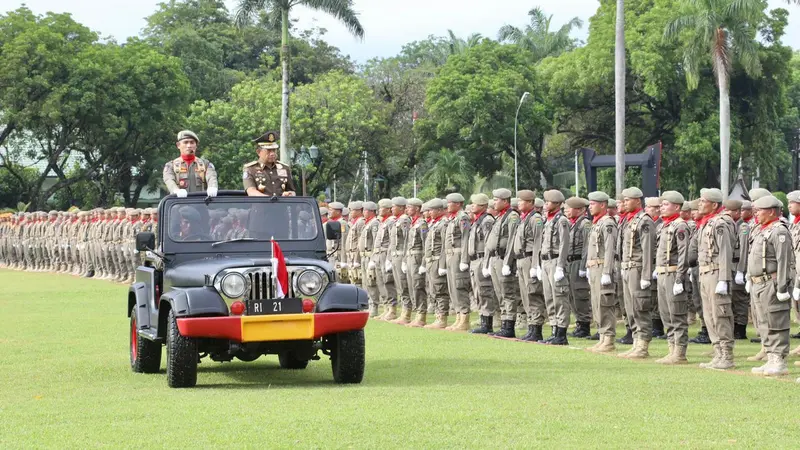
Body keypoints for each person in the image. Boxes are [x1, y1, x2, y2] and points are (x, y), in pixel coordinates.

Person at [745, 195, 792, 376]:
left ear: (771, 211)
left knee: (776, 321)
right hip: (758, 283)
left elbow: (783, 261)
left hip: (771, 283)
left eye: (759, 211)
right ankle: (771, 357)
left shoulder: (779, 231)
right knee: (763, 322)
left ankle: (779, 360)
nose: (756, 214)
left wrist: (781, 287)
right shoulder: (760, 229)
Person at [696, 188, 736, 370]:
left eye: (703, 200)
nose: (699, 203)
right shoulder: (708, 222)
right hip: (705, 273)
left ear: (714, 204)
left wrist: (724, 279)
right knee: (709, 315)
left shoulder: (721, 223)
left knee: (720, 314)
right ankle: (718, 353)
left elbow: (725, 252)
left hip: (716, 273)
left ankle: (727, 355)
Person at [653, 191, 691, 364]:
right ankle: (671, 349)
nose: (662, 207)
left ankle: (680, 352)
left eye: (665, 204)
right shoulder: (663, 225)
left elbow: (684, 254)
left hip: (673, 273)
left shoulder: (680, 226)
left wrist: (679, 278)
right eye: (661, 204)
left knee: (677, 313)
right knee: (666, 313)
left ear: (676, 207)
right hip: (662, 273)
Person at [503, 190, 545, 341]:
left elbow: (537, 243)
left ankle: (536, 328)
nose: (519, 203)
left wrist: (535, 265)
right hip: (521, 259)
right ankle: (531, 327)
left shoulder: (535, 219)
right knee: (525, 294)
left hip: (529, 259)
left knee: (533, 293)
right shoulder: (524, 218)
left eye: (521, 201)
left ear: (530, 203)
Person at [618, 187, 655, 359]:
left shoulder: (644, 221)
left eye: (627, 199)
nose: (624, 202)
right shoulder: (628, 220)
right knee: (630, 307)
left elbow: (647, 250)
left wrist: (646, 275)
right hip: (627, 267)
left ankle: (643, 344)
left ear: (637, 201)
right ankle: (635, 341)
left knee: (640, 306)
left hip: (638, 268)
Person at [586, 192, 619, 353]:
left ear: (603, 205)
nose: (590, 206)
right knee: (596, 302)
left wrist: (607, 271)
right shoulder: (597, 223)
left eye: (593, 204)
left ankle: (608, 338)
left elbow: (610, 248)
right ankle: (602, 336)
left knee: (605, 303)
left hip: (602, 267)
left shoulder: (607, 223)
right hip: (594, 267)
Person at [538, 189, 571, 345]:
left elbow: (564, 244)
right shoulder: (548, 220)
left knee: (560, 297)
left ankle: (561, 333)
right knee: (549, 298)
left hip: (555, 261)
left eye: (548, 202)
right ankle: (554, 329)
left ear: (557, 204)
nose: (545, 205)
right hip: (545, 262)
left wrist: (560, 266)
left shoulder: (561, 220)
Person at [442, 193, 472, 331]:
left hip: (459, 255)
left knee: (460, 286)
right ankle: (459, 317)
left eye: (450, 202)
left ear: (458, 204)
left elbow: (466, 238)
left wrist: (464, 259)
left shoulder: (463, 218)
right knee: (452, 287)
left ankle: (464, 318)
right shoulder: (453, 219)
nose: (448, 205)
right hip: (450, 256)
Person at [565, 196, 592, 338]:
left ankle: (585, 324)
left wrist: (583, 266)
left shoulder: (585, 224)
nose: (566, 210)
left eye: (570, 208)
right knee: (572, 294)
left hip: (578, 262)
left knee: (580, 294)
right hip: (570, 263)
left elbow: (587, 247)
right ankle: (579, 323)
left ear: (580, 210)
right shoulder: (573, 223)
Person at [163, 130, 218, 197]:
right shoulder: (171, 166)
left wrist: (212, 187)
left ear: (196, 145)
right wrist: (176, 190)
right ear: (178, 145)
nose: (189, 146)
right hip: (179, 204)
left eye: (192, 143)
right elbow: (169, 180)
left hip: (202, 204)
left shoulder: (205, 164)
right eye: (185, 142)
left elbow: (212, 177)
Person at [243, 131, 297, 197]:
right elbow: (251, 192)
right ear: (258, 152)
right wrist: (270, 200)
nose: (272, 153)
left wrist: (289, 194)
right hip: (261, 206)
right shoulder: (250, 169)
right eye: (268, 150)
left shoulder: (284, 168)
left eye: (274, 150)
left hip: (281, 206)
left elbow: (292, 191)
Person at [404, 198, 429, 327]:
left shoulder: (422, 224)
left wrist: (423, 263)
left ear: (417, 209)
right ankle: (416, 313)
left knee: (418, 286)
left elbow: (426, 245)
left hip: (417, 258)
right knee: (411, 285)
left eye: (409, 207)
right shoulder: (412, 223)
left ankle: (421, 314)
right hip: (410, 257)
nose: (407, 209)